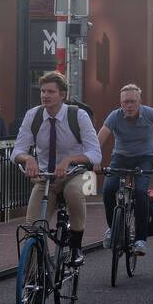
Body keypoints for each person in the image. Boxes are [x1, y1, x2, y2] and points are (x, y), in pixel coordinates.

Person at [12, 71, 101, 266]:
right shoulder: (33, 115)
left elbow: (96, 154)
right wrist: (27, 158)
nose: (45, 95)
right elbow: (17, 150)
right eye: (43, 91)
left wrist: (70, 160)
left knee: (74, 192)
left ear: (63, 95)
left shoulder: (78, 115)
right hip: (47, 177)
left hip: (82, 175)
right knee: (32, 227)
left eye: (51, 91)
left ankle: (76, 246)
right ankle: (32, 280)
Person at [97, 84, 153, 256]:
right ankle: (113, 229)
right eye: (125, 102)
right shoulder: (115, 116)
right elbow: (101, 137)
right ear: (121, 103)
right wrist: (96, 158)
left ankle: (140, 240)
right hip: (120, 157)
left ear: (139, 102)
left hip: (145, 157)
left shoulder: (149, 113)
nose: (129, 105)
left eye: (132, 102)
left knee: (141, 192)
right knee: (108, 190)